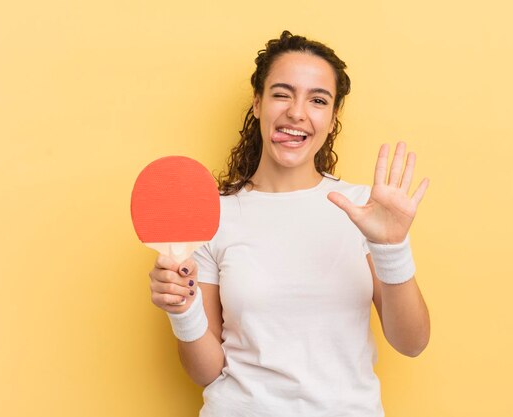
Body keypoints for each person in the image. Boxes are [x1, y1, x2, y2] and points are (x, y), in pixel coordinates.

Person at [148, 30, 431, 417]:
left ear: (332, 120)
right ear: (258, 103)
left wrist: (392, 249)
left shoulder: (366, 209)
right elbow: (206, 371)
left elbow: (411, 342)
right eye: (282, 93)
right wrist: (183, 309)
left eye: (318, 100)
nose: (297, 112)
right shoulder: (214, 215)